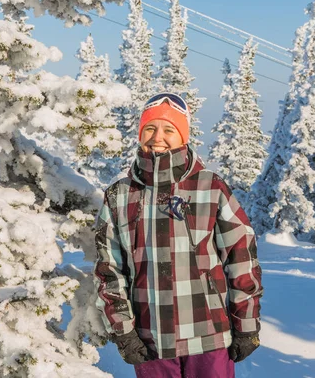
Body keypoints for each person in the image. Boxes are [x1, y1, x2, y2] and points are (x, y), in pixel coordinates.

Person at [93, 92, 263, 378]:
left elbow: (241, 258)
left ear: (183, 137)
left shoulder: (210, 188)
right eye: (150, 128)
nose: (157, 136)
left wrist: (246, 325)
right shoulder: (119, 196)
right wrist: (124, 332)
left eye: (169, 129)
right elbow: (109, 271)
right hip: (150, 341)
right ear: (140, 134)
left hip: (209, 335)